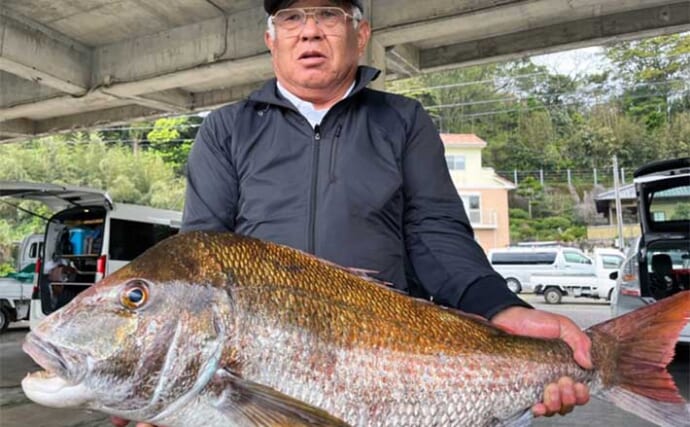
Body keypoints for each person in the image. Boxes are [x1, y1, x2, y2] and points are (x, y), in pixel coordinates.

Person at [113, 1, 590, 425]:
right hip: (264, 362)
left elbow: (434, 231)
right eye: (292, 17)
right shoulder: (226, 129)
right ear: (271, 39)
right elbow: (201, 258)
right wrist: (156, 382)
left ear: (360, 34)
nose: (310, 31)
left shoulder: (403, 120)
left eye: (327, 15)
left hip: (387, 358)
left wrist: (498, 306)